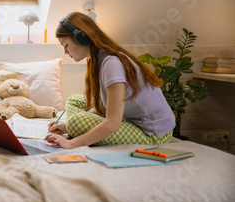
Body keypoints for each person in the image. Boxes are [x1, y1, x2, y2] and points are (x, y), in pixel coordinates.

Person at [44, 12, 175, 149]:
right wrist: (66, 127)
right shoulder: (98, 61)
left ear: (81, 38)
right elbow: (104, 105)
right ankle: (81, 128)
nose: (65, 52)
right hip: (127, 118)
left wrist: (71, 142)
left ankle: (80, 130)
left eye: (65, 45)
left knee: (76, 122)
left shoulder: (112, 64)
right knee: (73, 100)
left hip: (153, 134)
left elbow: (112, 123)